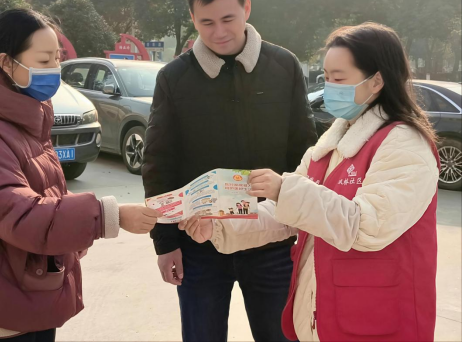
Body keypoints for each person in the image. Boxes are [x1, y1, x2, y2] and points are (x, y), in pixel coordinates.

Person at [180, 22, 439, 341]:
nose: (330, 87)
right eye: (326, 77)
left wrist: (284, 189)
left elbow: (368, 227)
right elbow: (284, 214)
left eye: (339, 79)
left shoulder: (405, 144)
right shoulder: (329, 145)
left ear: (377, 80)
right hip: (327, 315)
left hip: (378, 320)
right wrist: (219, 226)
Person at [0, 8, 161, 342]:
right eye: (43, 60)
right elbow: (18, 213)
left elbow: (45, 193)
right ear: (7, 62)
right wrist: (111, 215)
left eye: (57, 58)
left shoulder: (21, 111)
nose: (54, 69)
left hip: (22, 282)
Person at [142, 0, 317, 342]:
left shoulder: (283, 66)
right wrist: (166, 242)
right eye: (206, 22)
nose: (219, 32)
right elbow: (158, 162)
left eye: (228, 19)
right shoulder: (174, 78)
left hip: (272, 241)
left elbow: (304, 151)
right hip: (200, 244)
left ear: (246, 8)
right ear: (193, 19)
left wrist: (305, 223)